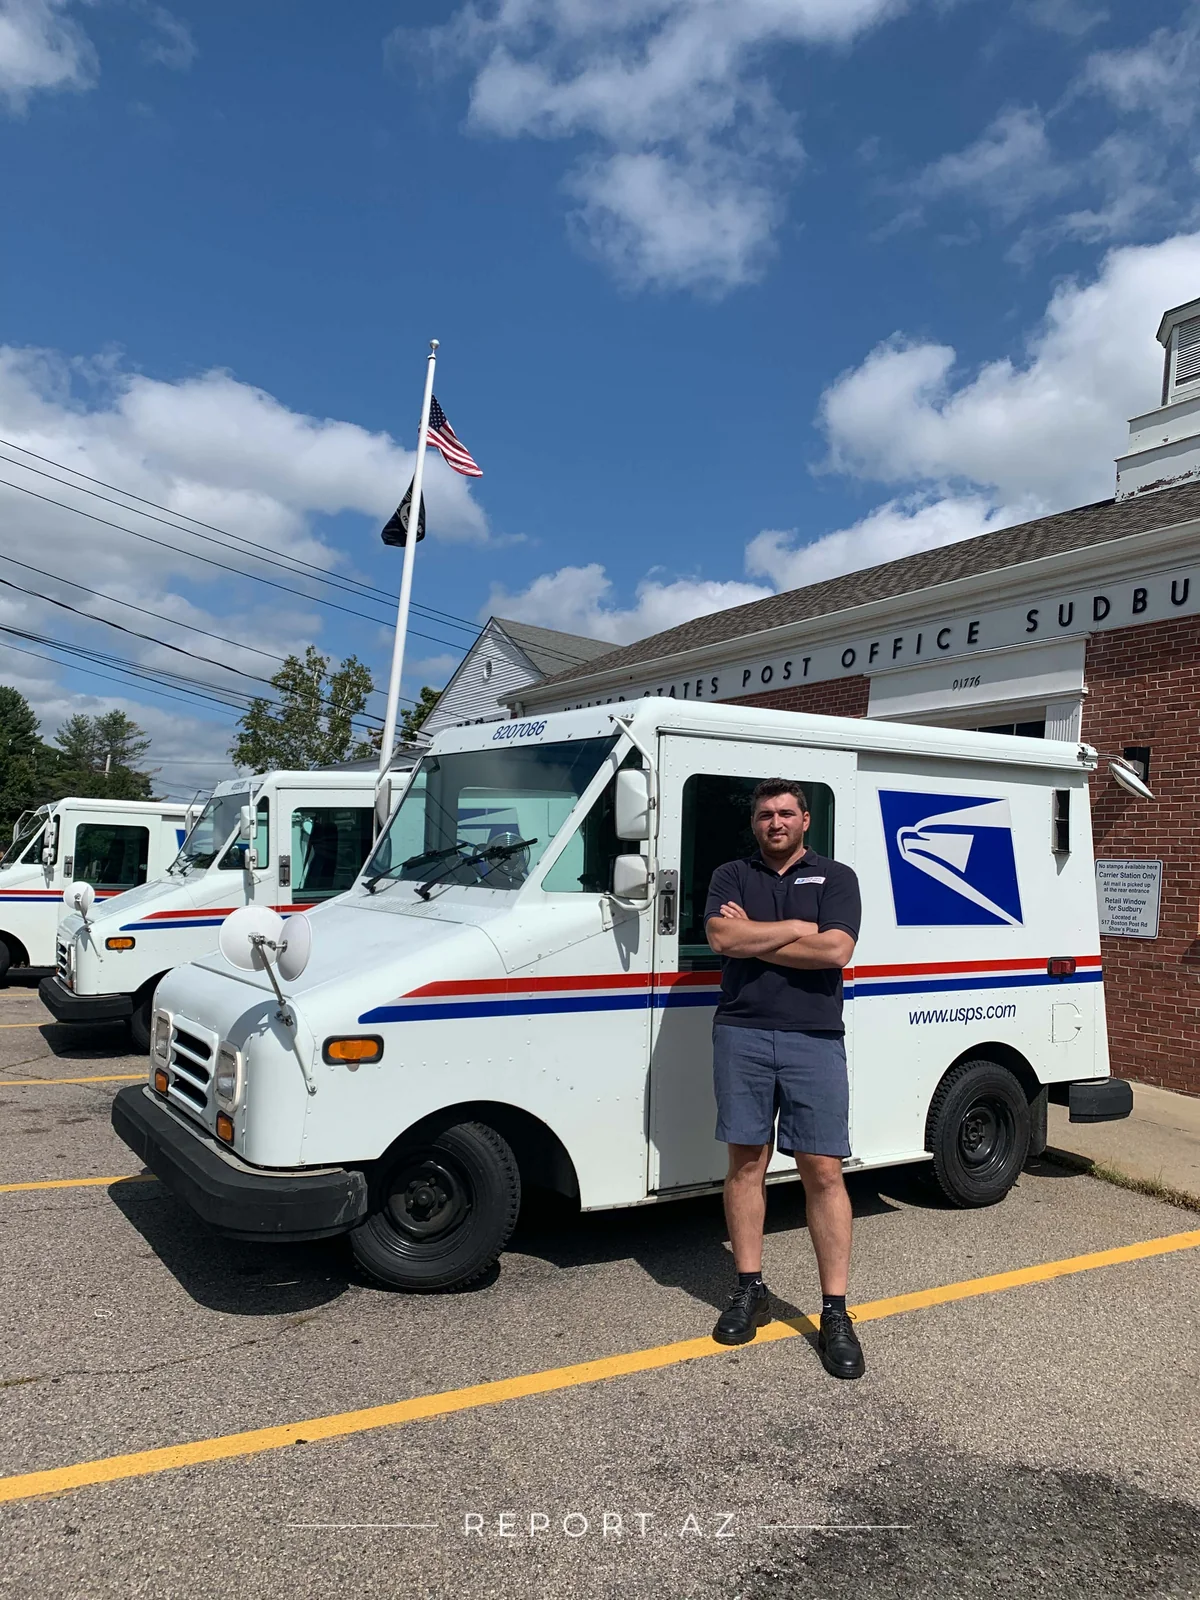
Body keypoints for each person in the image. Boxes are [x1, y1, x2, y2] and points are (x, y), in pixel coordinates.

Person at [704, 778, 864, 1380]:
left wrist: (757, 939)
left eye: (786, 813)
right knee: (746, 1162)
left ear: (805, 820)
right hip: (741, 1033)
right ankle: (751, 1289)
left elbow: (835, 952)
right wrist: (800, 926)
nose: (775, 822)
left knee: (822, 1170)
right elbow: (721, 936)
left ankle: (835, 1312)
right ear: (755, 823)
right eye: (765, 814)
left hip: (813, 1037)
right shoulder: (730, 875)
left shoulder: (837, 877)